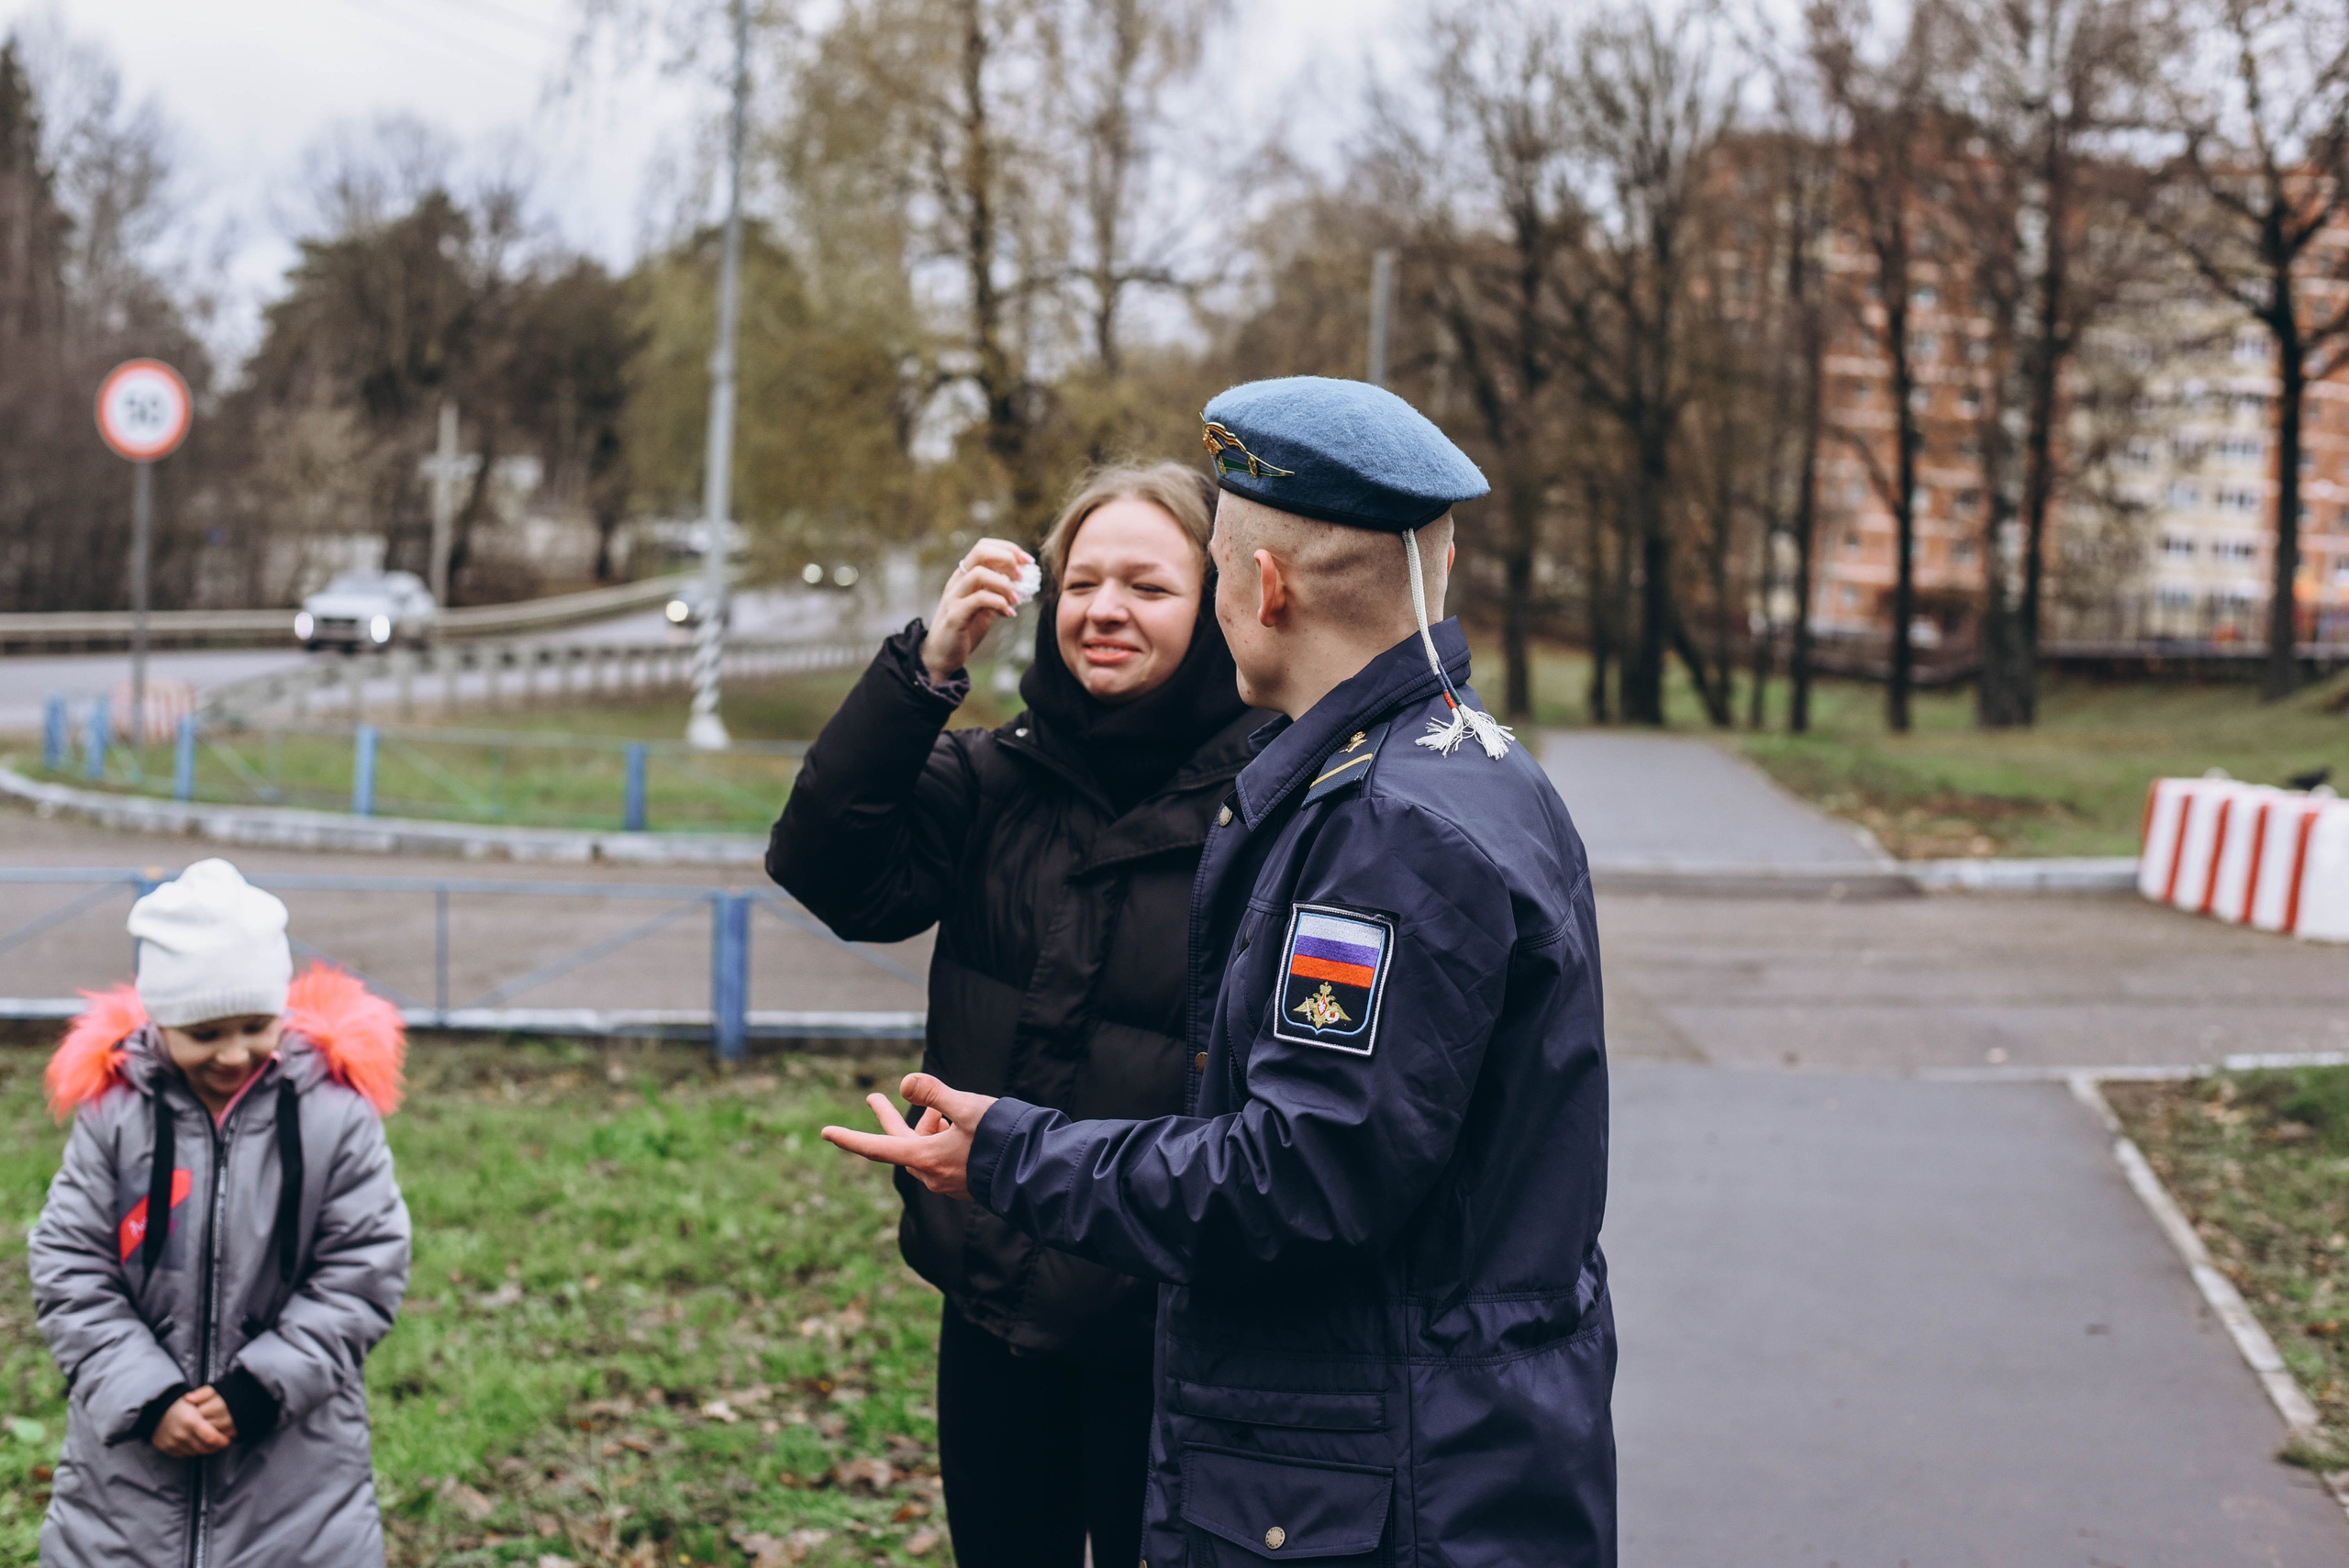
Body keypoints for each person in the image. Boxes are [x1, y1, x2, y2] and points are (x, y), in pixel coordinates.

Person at [824, 377, 1616, 1566]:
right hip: (1438, 1442)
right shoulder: (1473, 764)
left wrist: (1009, 1153)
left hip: (1383, 1469)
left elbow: (1303, 1174)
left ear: (1263, 584)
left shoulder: (1387, 824)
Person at [767, 462, 1262, 1568]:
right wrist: (927, 668)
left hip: (1176, 1327)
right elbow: (826, 868)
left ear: (1219, 602)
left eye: (1147, 584)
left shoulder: (1269, 804)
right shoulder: (996, 778)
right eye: (1083, 581)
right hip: (995, 1305)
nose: (1104, 610)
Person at [30, 858, 411, 1568]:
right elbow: (69, 1262)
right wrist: (147, 1397)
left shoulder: (335, 1114)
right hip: (127, 1486)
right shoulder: (116, 1114)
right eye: (205, 1032)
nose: (235, 1052)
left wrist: (258, 1389)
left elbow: (364, 1266)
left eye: (256, 1024)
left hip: (295, 1473)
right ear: (161, 1019)